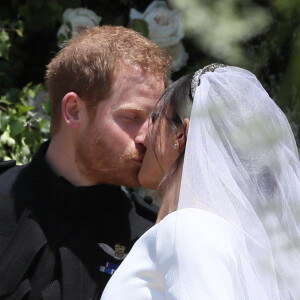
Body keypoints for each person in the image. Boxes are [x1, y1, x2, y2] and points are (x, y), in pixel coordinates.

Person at [101, 64, 300, 299]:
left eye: (154, 118)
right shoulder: (240, 243)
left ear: (181, 134)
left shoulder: (188, 228)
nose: (142, 136)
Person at [0, 26, 170, 299]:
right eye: (131, 117)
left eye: (153, 121)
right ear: (74, 111)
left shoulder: (149, 240)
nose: (146, 138)